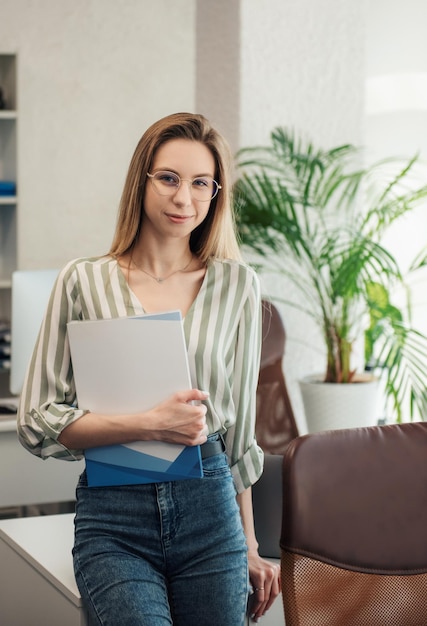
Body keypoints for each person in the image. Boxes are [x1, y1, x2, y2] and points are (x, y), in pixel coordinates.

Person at [17, 112, 281, 625]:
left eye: (201, 183)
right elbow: (37, 418)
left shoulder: (237, 286)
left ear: (215, 193)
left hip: (211, 510)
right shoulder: (83, 281)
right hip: (114, 516)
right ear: (142, 180)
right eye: (169, 178)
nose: (184, 198)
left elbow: (241, 437)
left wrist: (248, 543)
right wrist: (150, 424)